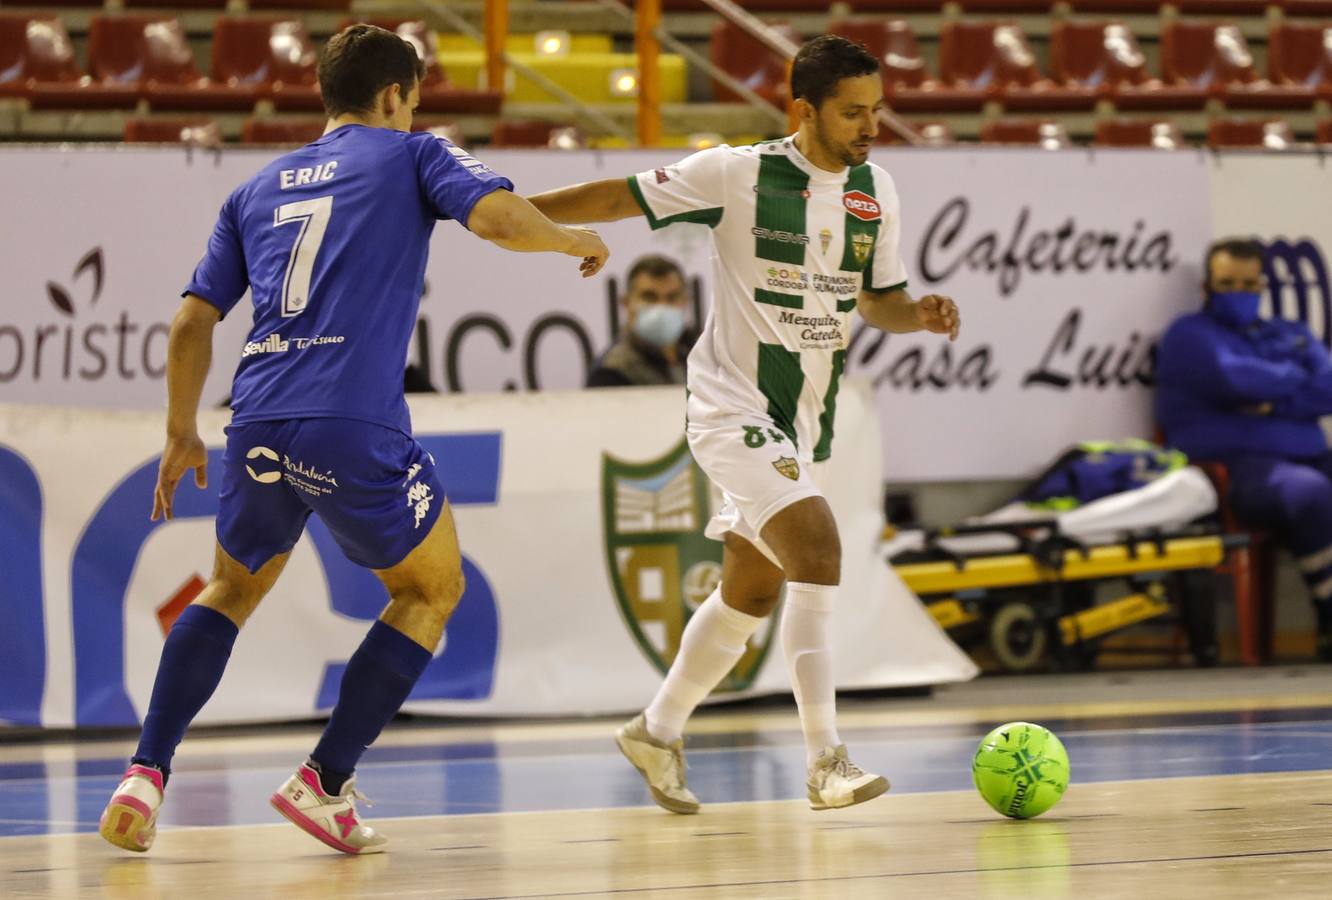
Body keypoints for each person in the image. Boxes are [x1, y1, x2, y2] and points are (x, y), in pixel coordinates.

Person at [98, 25, 608, 856]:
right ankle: (324, 782)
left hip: (256, 414)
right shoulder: (413, 153)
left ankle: (143, 773)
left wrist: (180, 431)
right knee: (430, 590)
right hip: (349, 420)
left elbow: (193, 317)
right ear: (395, 96)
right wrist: (570, 240)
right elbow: (500, 218)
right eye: (415, 99)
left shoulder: (256, 187)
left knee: (229, 589)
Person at [529, 35, 960, 813]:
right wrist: (511, 216)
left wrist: (916, 315)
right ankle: (828, 759)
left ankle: (656, 731)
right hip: (733, 407)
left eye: (877, 110)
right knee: (817, 544)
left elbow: (877, 298)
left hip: (805, 422)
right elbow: (618, 196)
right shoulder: (737, 173)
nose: (870, 127)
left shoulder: (876, 191)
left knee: (751, 592)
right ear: (803, 111)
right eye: (853, 113)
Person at [1157, 237, 1332, 661]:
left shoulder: (1286, 331)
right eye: (1227, 283)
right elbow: (1237, 379)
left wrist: (1271, 401)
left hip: (1305, 455)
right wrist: (1294, 378)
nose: (1240, 294)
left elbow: (1327, 386)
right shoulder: (1188, 336)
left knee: (1312, 482)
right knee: (1308, 492)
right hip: (1233, 472)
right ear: (1207, 288)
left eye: (1249, 284)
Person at [587, 254, 693, 387]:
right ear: (627, 303)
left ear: (685, 301)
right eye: (650, 297)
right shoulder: (611, 372)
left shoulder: (701, 356)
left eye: (672, 297)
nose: (662, 306)